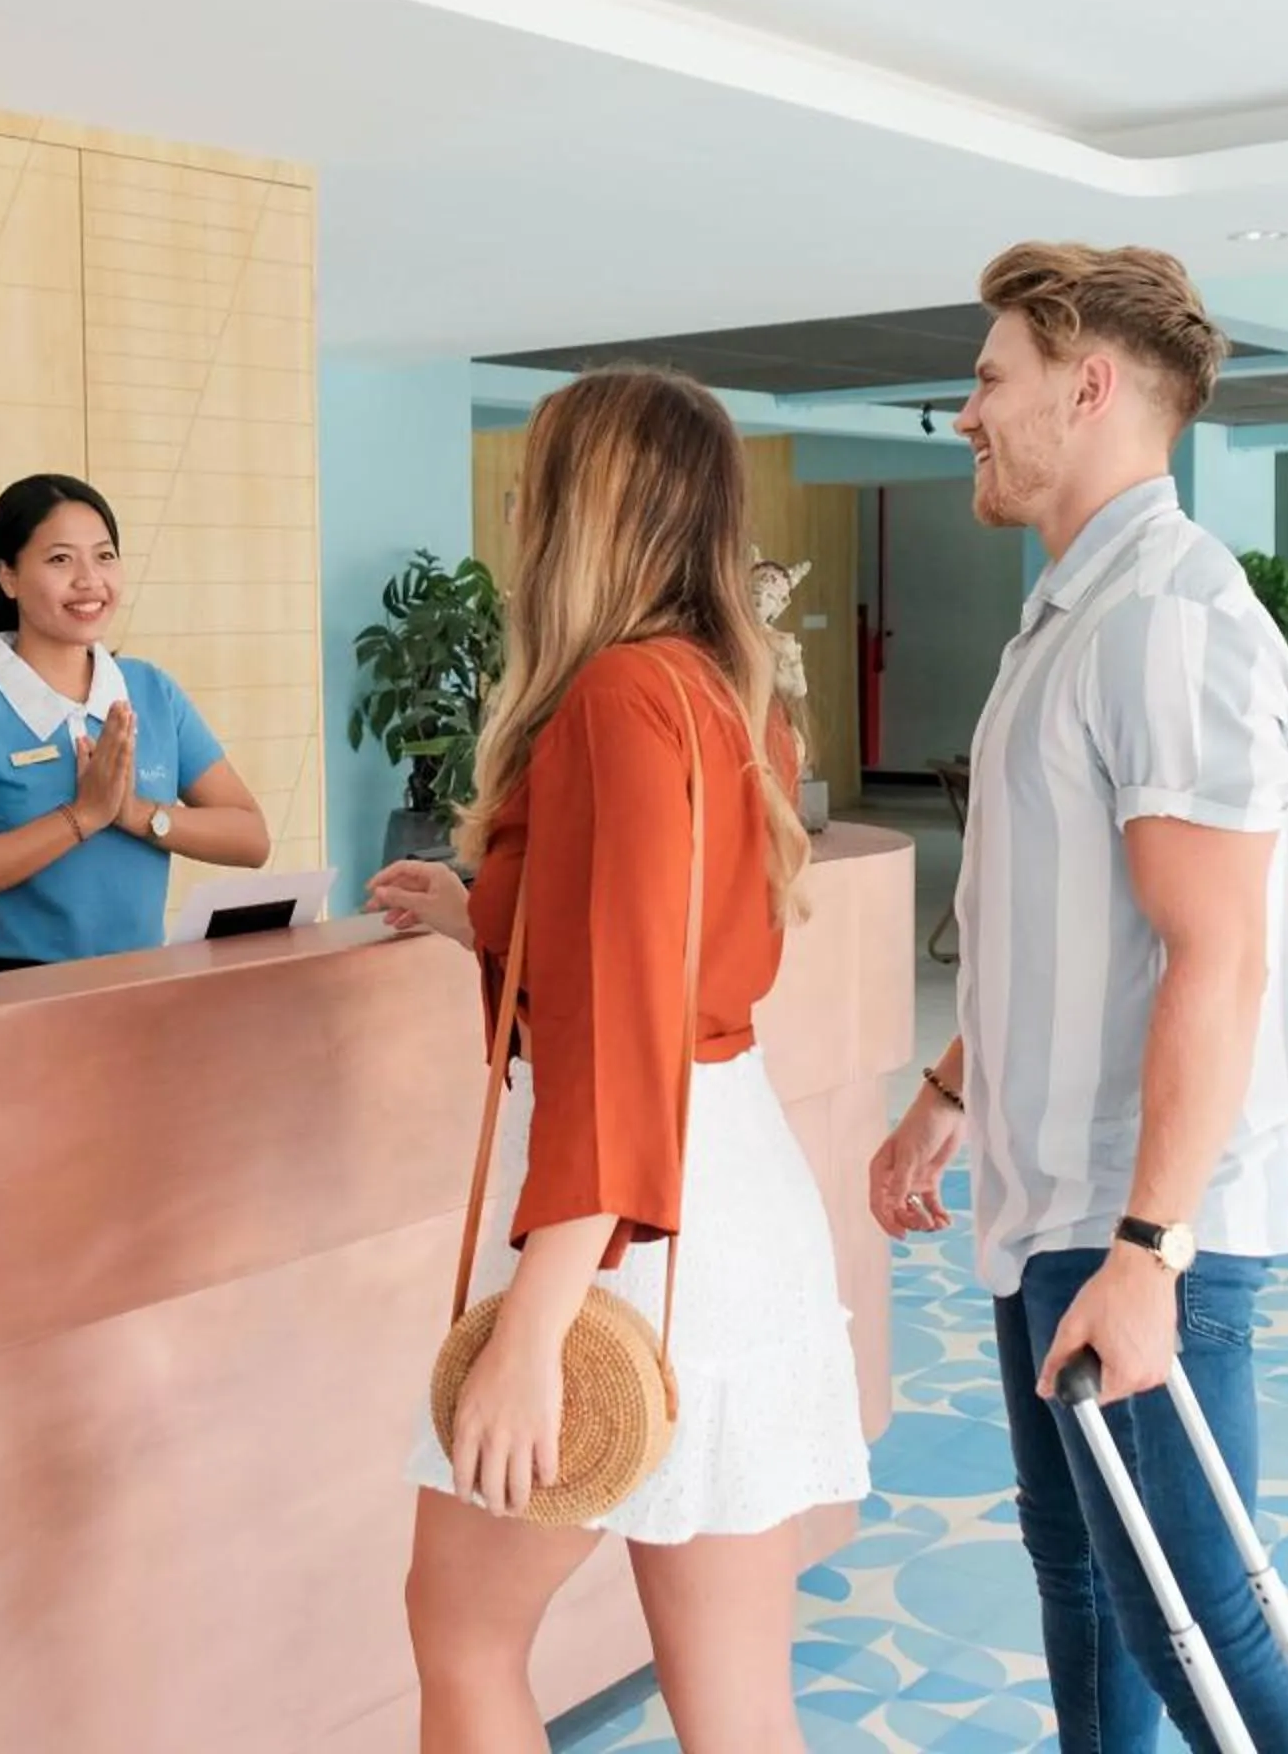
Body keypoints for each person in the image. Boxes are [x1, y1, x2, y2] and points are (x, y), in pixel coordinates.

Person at [367, 368, 869, 1754]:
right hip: (735, 1207)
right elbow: (670, 950)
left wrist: (533, 1325)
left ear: (589, 506)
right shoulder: (730, 692)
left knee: (461, 1633)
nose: (519, 505)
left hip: (631, 1230)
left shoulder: (612, 696)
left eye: (539, 477)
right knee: (737, 1705)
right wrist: (494, 914)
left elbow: (628, 1033)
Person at [869, 243, 1288, 1752]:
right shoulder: (1074, 614)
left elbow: (1221, 955)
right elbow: (1060, 931)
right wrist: (948, 1095)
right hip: (1050, 1198)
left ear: (1090, 383)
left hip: (1133, 1223)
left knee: (1203, 1623)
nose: (967, 415)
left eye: (990, 379)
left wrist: (1147, 1251)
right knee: (1084, 1586)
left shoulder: (1166, 621)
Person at [0, 473, 269, 967]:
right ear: (7, 576)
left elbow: (251, 838)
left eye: (105, 555)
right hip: (15, 991)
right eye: (60, 559)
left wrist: (136, 815)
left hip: (139, 984)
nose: (90, 580)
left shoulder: (151, 689)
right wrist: (83, 816)